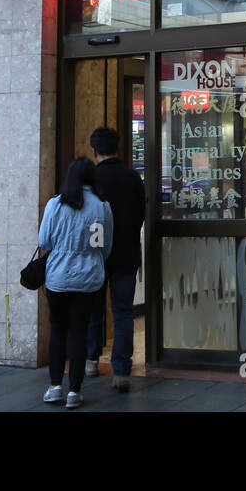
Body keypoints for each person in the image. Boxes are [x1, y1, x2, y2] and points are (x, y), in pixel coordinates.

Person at [39, 157, 113, 409]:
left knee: (58, 330)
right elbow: (105, 247)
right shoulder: (102, 207)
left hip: (57, 279)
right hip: (89, 279)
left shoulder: (54, 205)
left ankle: (55, 387)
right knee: (80, 332)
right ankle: (76, 391)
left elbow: (44, 242)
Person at [84, 126, 145, 392]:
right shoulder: (133, 177)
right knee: (123, 313)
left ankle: (90, 360)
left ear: (94, 151)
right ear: (118, 149)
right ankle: (121, 372)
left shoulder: (90, 180)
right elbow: (140, 215)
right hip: (126, 254)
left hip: (95, 256)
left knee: (93, 310)